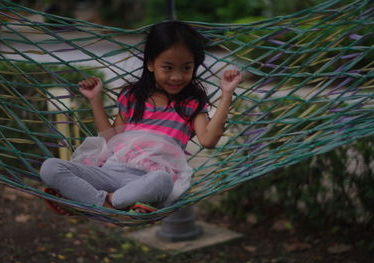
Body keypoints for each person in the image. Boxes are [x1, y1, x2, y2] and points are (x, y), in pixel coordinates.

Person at [40, 20, 242, 215]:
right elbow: (110, 140)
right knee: (50, 167)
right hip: (113, 170)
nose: (177, 76)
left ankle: (95, 200)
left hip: (149, 180)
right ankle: (107, 202)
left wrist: (226, 94)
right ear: (151, 64)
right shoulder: (133, 96)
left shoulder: (191, 103)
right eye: (168, 67)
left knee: (163, 180)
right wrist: (95, 100)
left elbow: (208, 140)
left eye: (186, 68)